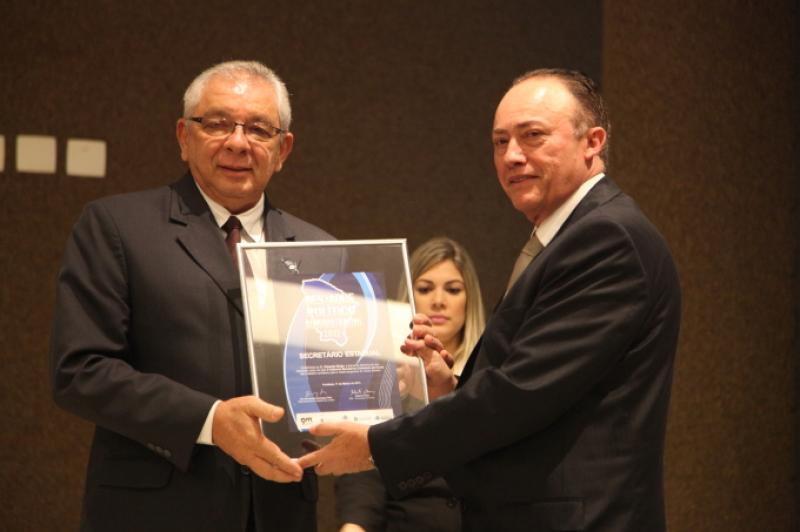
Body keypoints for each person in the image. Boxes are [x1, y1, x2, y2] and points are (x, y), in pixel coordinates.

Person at [298, 69, 682, 532]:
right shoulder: (569, 237)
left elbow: (521, 394)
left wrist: (377, 446)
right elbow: (533, 388)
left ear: (592, 142)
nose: (512, 156)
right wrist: (451, 389)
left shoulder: (606, 238)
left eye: (533, 135)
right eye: (500, 142)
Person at [49, 60, 332, 532]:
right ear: (184, 136)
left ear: (282, 149)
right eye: (217, 123)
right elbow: (80, 370)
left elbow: (338, 375)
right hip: (154, 511)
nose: (238, 142)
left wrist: (401, 378)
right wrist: (210, 419)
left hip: (281, 511)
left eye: (258, 129)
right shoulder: (117, 227)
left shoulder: (319, 249)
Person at [336, 237, 486, 532]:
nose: (439, 300)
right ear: (409, 296)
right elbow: (364, 467)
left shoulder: (491, 371)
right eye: (425, 289)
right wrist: (354, 525)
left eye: (453, 289)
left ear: (469, 299)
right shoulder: (384, 374)